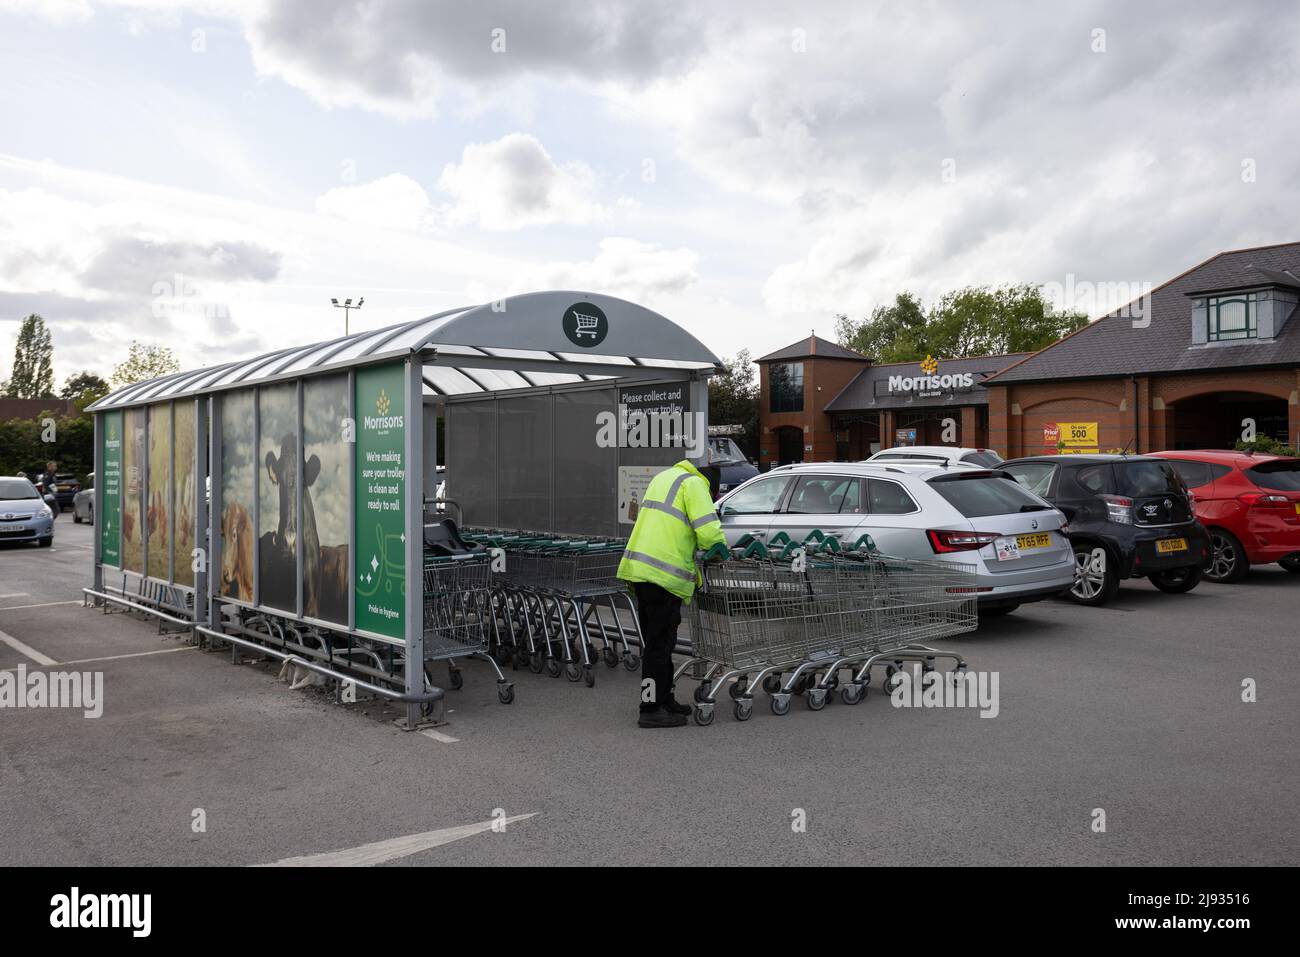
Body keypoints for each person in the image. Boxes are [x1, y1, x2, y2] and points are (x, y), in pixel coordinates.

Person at [617, 452, 726, 728]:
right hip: (663, 576)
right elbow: (708, 530)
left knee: (661, 643)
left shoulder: (665, 477)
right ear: (711, 488)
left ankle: (665, 698)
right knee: (658, 645)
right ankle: (650, 707)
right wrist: (720, 548)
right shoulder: (696, 485)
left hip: (641, 571)